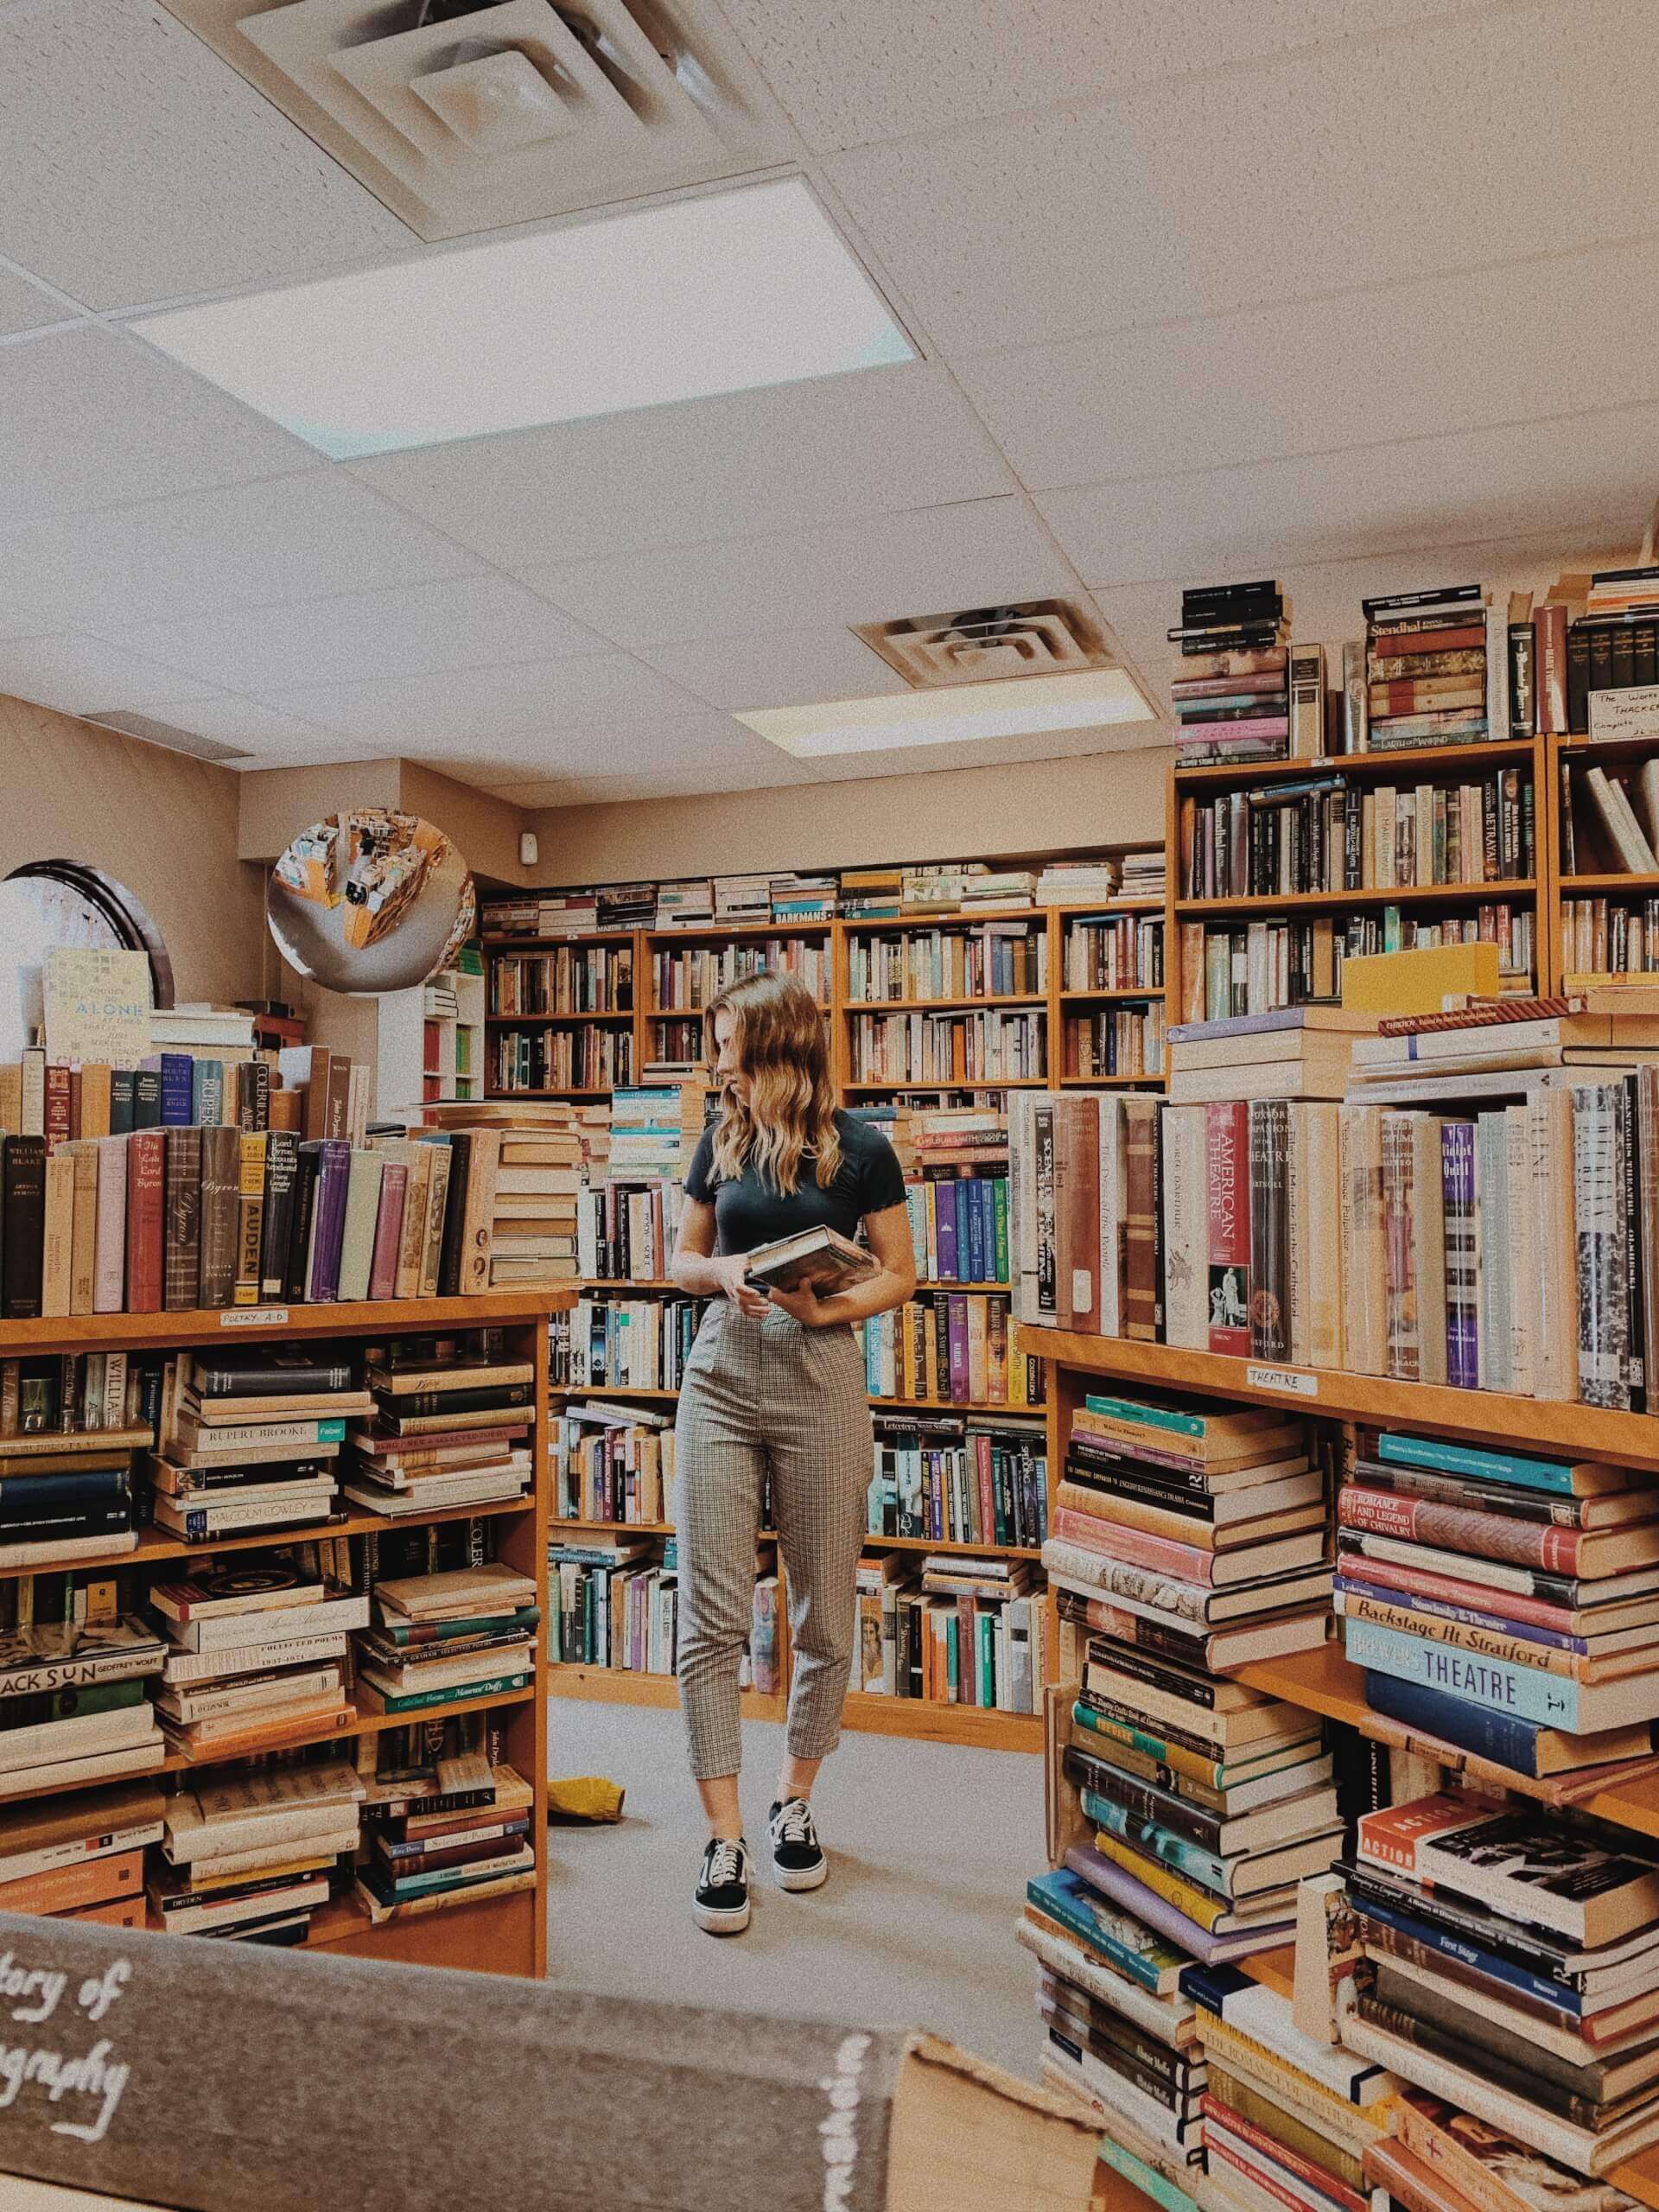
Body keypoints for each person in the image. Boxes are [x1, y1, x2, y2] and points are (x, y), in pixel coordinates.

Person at [668, 970, 917, 1935]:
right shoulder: (719, 1138)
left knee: (823, 1609)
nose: (717, 1055)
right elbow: (679, 1262)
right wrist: (722, 1268)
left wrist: (831, 1304)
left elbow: (899, 1272)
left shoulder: (863, 1149)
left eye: (728, 1038)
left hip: (819, 1371)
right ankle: (723, 1833)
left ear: (777, 1044)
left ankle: (794, 1796)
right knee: (711, 1614)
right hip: (720, 1375)